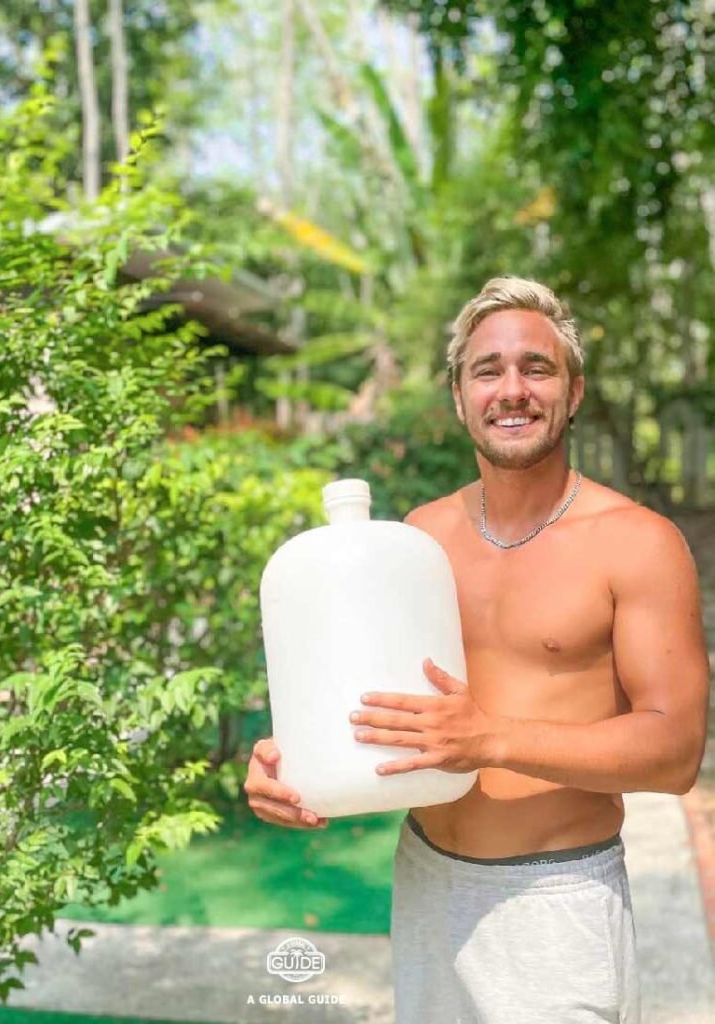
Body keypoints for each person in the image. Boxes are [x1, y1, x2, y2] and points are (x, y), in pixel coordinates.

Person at [243, 277, 710, 1024]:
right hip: (427, 882)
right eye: (487, 370)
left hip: (557, 901)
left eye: (538, 367)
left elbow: (675, 750)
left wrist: (491, 737)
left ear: (574, 390)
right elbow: (364, 698)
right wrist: (291, 765)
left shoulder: (639, 545)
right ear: (459, 396)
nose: (512, 389)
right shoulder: (421, 535)